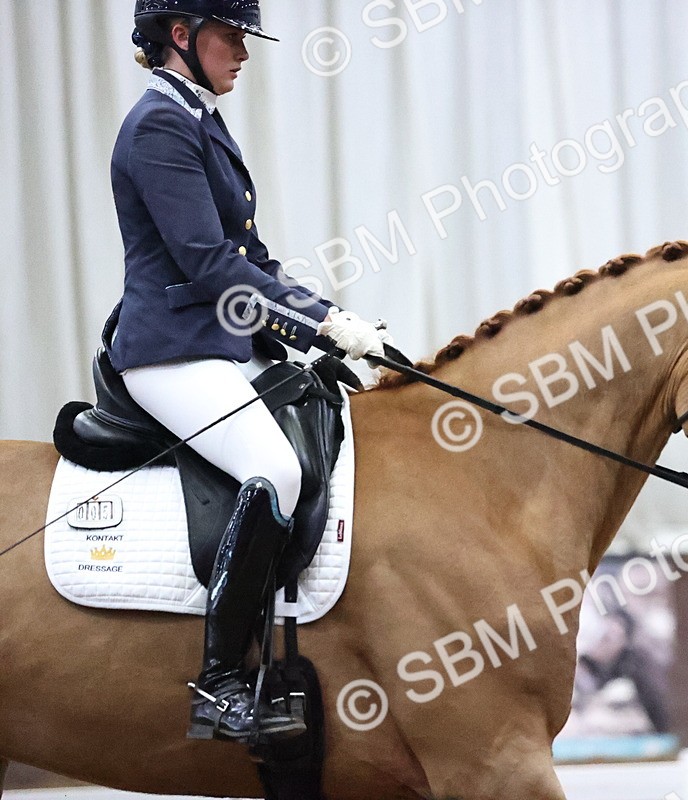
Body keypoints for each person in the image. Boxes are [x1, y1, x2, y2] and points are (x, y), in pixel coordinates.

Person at [110, 0, 386, 743]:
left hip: (218, 343)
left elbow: (250, 263)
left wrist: (325, 320)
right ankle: (220, 684)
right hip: (170, 350)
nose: (243, 50)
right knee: (276, 469)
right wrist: (314, 323)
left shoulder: (196, 115)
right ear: (180, 35)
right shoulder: (160, 125)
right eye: (231, 34)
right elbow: (207, 266)